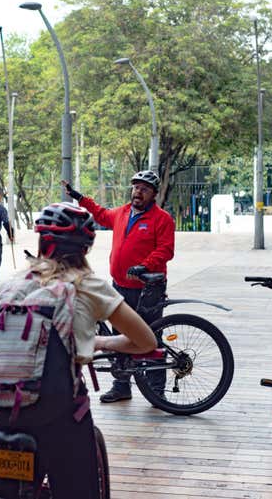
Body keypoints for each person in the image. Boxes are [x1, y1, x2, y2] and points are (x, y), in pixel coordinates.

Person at [0, 202, 157, 498]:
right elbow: (146, 340)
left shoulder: (14, 285)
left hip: (5, 413)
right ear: (85, 249)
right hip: (61, 415)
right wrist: (102, 342)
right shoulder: (89, 285)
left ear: (40, 242)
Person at [62, 170, 175, 403]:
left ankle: (157, 391)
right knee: (118, 336)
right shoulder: (123, 213)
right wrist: (79, 197)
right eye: (136, 187)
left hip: (148, 288)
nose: (138, 192)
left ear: (153, 194)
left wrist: (145, 266)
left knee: (150, 336)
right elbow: (102, 215)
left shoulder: (162, 218)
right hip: (120, 283)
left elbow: (166, 250)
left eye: (144, 189)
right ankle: (121, 386)